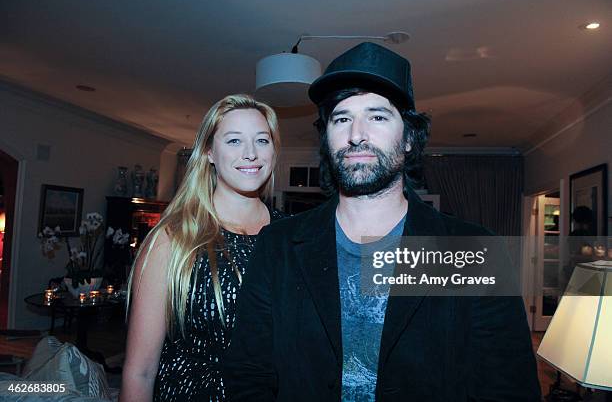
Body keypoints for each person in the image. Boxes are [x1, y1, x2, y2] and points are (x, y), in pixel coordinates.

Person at [223, 43, 540, 401]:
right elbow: (248, 374)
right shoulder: (278, 245)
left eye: (377, 116)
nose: (356, 134)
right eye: (341, 118)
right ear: (327, 139)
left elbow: (509, 389)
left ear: (408, 138)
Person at [120, 94, 284, 402]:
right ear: (209, 151)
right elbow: (139, 372)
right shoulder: (172, 240)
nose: (251, 153)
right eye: (234, 141)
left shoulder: (292, 238)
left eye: (262, 140)